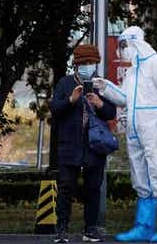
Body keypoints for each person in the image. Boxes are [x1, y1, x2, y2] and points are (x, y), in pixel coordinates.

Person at [94, 26, 157, 243]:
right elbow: (125, 97)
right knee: (140, 179)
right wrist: (104, 87)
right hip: (136, 132)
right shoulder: (133, 72)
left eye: (125, 46)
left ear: (136, 43)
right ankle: (143, 227)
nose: (122, 51)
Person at [49, 44, 117, 243]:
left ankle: (90, 230)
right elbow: (55, 108)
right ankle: (61, 230)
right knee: (65, 188)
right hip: (69, 144)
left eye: (93, 62)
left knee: (93, 188)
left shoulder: (101, 85)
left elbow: (111, 113)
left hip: (95, 146)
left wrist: (100, 103)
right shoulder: (65, 82)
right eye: (85, 63)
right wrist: (71, 99)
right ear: (77, 64)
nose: (89, 66)